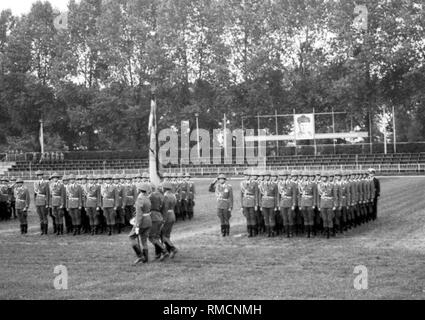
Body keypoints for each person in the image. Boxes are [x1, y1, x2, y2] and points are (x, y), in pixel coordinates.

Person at [129, 184, 152, 265]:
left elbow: (139, 214)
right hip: (148, 220)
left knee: (131, 237)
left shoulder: (140, 199)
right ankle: (146, 258)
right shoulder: (147, 198)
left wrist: (137, 225)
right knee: (144, 240)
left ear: (139, 190)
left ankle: (140, 256)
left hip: (142, 221)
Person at [149, 187, 169, 261]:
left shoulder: (151, 196)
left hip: (154, 217)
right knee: (156, 237)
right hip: (160, 217)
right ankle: (158, 254)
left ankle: (164, 251)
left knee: (151, 237)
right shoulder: (162, 197)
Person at [317, 172, 337, 239]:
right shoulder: (319, 185)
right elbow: (318, 197)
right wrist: (319, 205)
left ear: (327, 178)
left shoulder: (331, 185)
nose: (323, 178)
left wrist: (334, 204)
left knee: (330, 219)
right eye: (322, 177)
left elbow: (335, 196)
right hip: (322, 204)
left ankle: (330, 231)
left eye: (325, 177)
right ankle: (326, 232)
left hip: (330, 204)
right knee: (324, 219)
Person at [278, 171, 297, 238]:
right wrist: (279, 204)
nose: (283, 177)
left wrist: (293, 204)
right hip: (283, 203)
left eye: (284, 176)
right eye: (282, 176)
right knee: (284, 218)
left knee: (290, 218)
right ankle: (286, 232)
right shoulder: (279, 184)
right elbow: (279, 195)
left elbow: (294, 195)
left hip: (290, 203)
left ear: (287, 176)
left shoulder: (292, 184)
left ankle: (291, 232)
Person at [259, 171, 278, 237]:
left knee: (272, 218)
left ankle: (272, 231)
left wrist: (276, 205)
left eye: (268, 176)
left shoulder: (274, 185)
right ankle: (268, 232)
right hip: (264, 203)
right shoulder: (261, 185)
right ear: (264, 177)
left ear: (270, 177)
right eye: (265, 176)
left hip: (271, 203)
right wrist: (260, 205)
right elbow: (260, 196)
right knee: (266, 218)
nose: (266, 177)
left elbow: (276, 196)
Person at [298, 171, 318, 238]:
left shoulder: (313, 184)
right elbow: (299, 195)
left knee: (311, 218)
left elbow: (315, 195)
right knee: (305, 218)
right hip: (303, 203)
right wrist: (300, 204)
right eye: (304, 176)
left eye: (306, 176)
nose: (305, 177)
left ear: (308, 177)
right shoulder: (300, 184)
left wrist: (314, 204)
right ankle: (307, 232)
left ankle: (312, 232)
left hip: (310, 203)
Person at [161, 182, 178, 258]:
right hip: (172, 214)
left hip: (167, 216)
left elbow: (165, 208)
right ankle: (169, 250)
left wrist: (163, 219)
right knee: (167, 235)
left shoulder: (165, 196)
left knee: (162, 235)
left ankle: (172, 248)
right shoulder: (173, 195)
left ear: (164, 188)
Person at [240, 170, 258, 237]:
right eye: (245, 176)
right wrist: (241, 205)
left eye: (247, 175)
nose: (246, 177)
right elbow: (241, 195)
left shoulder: (254, 183)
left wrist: (256, 204)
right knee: (247, 217)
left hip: (252, 202)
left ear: (250, 176)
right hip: (245, 202)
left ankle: (254, 231)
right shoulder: (242, 184)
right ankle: (249, 232)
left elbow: (256, 194)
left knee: (252, 217)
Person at [34, 171, 50, 235]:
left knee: (44, 216)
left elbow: (48, 194)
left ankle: (45, 231)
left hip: (44, 201)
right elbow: (35, 194)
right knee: (40, 217)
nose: (39, 176)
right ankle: (42, 230)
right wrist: (35, 203)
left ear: (42, 176)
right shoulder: (35, 183)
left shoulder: (45, 183)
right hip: (38, 202)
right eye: (38, 175)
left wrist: (47, 203)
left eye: (40, 175)